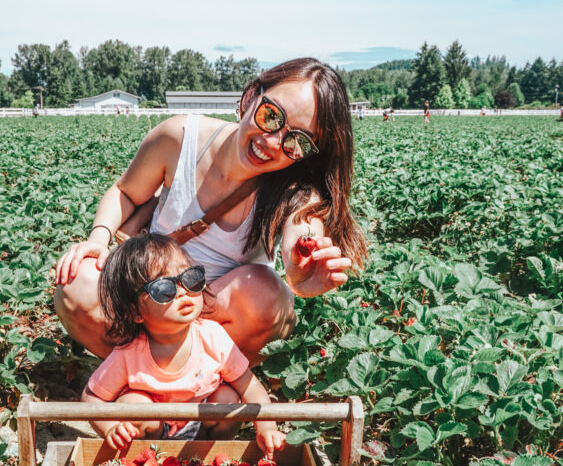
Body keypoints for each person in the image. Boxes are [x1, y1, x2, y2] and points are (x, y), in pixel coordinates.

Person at [55, 57, 366, 365]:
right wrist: (98, 240)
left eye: (296, 141)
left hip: (217, 321)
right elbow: (125, 191)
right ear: (250, 97)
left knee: (270, 298)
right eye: (271, 116)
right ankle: (139, 373)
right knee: (75, 284)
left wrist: (300, 275)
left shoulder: (297, 192)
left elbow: (302, 236)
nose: (272, 142)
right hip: (147, 298)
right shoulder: (179, 138)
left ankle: (202, 382)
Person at [81, 233, 286, 454]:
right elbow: (92, 397)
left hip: (202, 426)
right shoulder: (129, 354)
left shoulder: (212, 336)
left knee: (228, 398)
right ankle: (146, 460)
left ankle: (212, 456)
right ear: (135, 312)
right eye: (163, 289)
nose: (182, 292)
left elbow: (250, 386)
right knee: (133, 404)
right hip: (152, 436)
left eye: (190, 278)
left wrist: (266, 427)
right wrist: (110, 427)